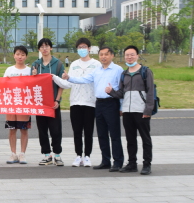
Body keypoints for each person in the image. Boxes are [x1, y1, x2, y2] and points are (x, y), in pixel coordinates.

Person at [63, 46, 125, 172]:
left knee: (114, 134)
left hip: (111, 103)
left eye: (106, 54)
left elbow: (122, 89)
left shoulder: (118, 70)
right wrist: (69, 78)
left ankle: (118, 162)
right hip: (99, 104)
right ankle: (105, 161)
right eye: (101, 54)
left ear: (112, 55)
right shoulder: (97, 70)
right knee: (102, 134)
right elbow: (84, 79)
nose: (103, 57)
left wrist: (121, 106)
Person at [109, 46, 155, 175]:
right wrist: (111, 92)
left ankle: (147, 164)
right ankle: (132, 163)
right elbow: (121, 93)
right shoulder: (124, 74)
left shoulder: (145, 72)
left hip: (141, 110)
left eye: (132, 54)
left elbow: (150, 92)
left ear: (137, 56)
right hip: (127, 112)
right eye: (127, 55)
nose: (129, 57)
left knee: (145, 138)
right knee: (130, 139)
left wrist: (148, 110)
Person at [58, 38, 100, 167]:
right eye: (80, 47)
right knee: (77, 131)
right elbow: (68, 83)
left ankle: (87, 156)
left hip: (90, 102)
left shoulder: (96, 64)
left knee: (88, 131)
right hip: (75, 101)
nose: (82, 49)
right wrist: (55, 78)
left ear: (89, 48)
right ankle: (78, 155)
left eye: (84, 47)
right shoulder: (74, 64)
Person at [31, 38, 65, 166]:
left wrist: (57, 99)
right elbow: (30, 84)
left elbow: (61, 83)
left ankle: (57, 154)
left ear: (51, 48)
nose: (44, 49)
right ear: (39, 49)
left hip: (53, 103)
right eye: (42, 46)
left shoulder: (58, 64)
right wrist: (33, 75)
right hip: (40, 103)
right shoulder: (36, 64)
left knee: (56, 130)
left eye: (47, 46)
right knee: (42, 130)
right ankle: (47, 155)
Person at [3, 46, 32, 165]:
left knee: (24, 129)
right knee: (12, 129)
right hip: (11, 103)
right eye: (18, 54)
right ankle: (13, 153)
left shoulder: (30, 71)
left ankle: (22, 154)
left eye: (23, 54)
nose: (20, 57)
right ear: (14, 55)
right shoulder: (9, 70)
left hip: (24, 104)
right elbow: (3, 85)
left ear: (26, 57)